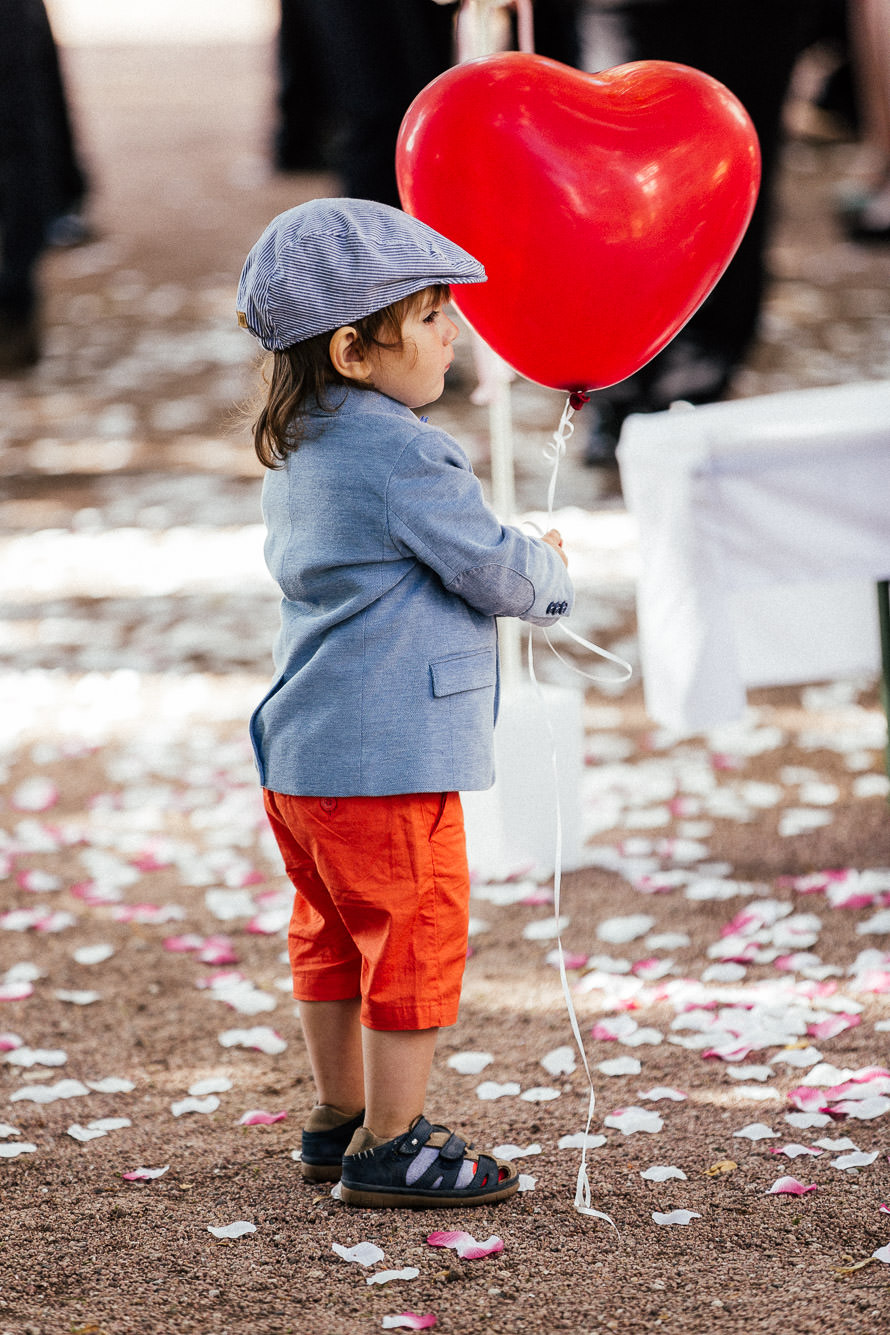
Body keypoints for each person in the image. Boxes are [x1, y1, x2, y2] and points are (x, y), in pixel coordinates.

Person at [236, 198, 573, 1208]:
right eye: (429, 317)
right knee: (415, 939)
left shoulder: (301, 443)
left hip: (304, 757)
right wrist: (548, 570)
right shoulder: (405, 453)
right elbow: (491, 570)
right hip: (390, 761)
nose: (452, 333)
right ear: (351, 349)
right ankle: (392, 1145)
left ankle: (338, 1117)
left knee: (333, 938)